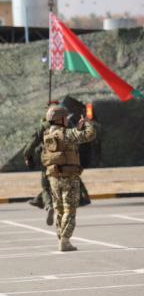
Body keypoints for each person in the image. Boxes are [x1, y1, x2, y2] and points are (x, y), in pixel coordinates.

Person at [41, 104, 97, 252]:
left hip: (53, 177)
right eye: (65, 118)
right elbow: (90, 135)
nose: (67, 120)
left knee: (59, 208)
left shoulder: (47, 135)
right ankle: (65, 241)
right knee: (69, 209)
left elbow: (65, 141)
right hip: (69, 177)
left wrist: (76, 129)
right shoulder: (67, 134)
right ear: (60, 120)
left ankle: (61, 238)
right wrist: (87, 123)